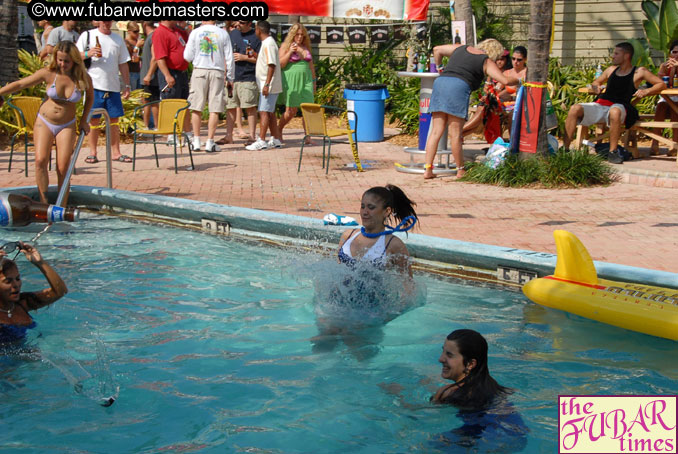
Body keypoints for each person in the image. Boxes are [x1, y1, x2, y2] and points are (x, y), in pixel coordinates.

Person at [0, 41, 93, 205]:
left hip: (67, 124)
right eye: (60, 60)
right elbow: (21, 84)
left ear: (75, 61)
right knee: (40, 160)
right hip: (45, 121)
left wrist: (84, 120)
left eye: (66, 61)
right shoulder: (48, 73)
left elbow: (90, 98)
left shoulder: (82, 77)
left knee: (63, 167)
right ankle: (43, 203)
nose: (62, 64)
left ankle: (61, 206)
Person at [424, 39, 519, 179]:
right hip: (459, 87)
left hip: (441, 83)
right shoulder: (486, 61)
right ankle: (460, 170)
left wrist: (440, 68)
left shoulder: (461, 48)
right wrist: (519, 81)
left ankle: (428, 169)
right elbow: (504, 81)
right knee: (455, 134)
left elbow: (437, 49)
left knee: (436, 131)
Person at [563, 42, 665, 164]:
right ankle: (565, 150)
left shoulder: (639, 72)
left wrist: (647, 91)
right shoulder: (611, 70)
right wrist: (596, 87)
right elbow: (596, 82)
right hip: (601, 105)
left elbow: (661, 84)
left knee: (615, 111)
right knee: (575, 108)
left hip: (620, 107)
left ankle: (613, 152)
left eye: (616, 53)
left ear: (626, 56)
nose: (613, 56)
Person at [76, 20, 133, 164]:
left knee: (114, 120)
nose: (106, 24)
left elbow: (123, 63)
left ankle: (116, 152)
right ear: (97, 21)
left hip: (112, 86)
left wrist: (127, 85)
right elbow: (75, 56)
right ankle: (92, 153)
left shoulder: (117, 39)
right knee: (94, 120)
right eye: (103, 21)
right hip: (93, 85)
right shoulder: (87, 35)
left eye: (109, 21)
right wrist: (89, 53)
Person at [337, 185, 417, 277]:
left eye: (371, 207)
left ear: (387, 211)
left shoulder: (393, 244)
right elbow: (337, 271)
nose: (364, 212)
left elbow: (408, 284)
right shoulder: (348, 235)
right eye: (362, 207)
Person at [0, 242, 68, 345]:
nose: (16, 285)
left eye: (18, 278)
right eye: (8, 281)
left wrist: (40, 263)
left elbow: (60, 291)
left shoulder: (22, 303)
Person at [183, 20, 234, 153]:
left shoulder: (195, 32)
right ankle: (210, 141)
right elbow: (229, 58)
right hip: (217, 71)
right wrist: (230, 78)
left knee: (196, 107)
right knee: (215, 108)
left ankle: (196, 140)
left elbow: (187, 56)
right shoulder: (223, 33)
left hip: (200, 69)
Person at [432, 329, 511, 409]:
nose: (441, 359)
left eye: (449, 355)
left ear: (470, 364)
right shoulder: (496, 389)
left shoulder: (447, 393)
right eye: (443, 352)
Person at [221, 20, 261, 145]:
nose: (238, 24)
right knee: (231, 107)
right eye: (237, 21)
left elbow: (262, 58)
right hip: (232, 78)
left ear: (250, 24)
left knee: (250, 107)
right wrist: (225, 74)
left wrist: (245, 58)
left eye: (242, 23)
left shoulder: (256, 36)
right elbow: (225, 55)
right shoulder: (233, 34)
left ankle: (252, 136)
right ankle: (229, 136)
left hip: (248, 77)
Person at [276, 23, 316, 144]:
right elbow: (280, 64)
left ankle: (307, 136)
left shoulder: (306, 46)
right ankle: (278, 129)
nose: (299, 37)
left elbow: (311, 65)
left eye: (302, 35)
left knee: (308, 108)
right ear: (292, 35)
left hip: (306, 79)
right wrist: (290, 52)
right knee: (291, 111)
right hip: (291, 79)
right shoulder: (285, 46)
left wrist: (314, 81)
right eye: (297, 35)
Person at [246, 20, 283, 151]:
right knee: (270, 112)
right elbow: (266, 60)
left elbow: (271, 65)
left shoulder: (268, 44)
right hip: (268, 84)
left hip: (268, 85)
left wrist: (267, 84)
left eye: (255, 29)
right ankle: (275, 138)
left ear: (259, 30)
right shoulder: (267, 43)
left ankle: (261, 140)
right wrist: (254, 54)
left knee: (264, 111)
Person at [154, 20, 192, 143]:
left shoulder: (177, 31)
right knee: (170, 103)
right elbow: (159, 57)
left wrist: (186, 28)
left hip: (181, 72)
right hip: (170, 72)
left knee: (184, 104)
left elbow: (189, 42)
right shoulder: (160, 32)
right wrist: (167, 75)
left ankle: (187, 133)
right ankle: (171, 135)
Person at [651, 40, 678, 156]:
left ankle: (674, 145)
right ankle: (655, 143)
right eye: (674, 52)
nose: (676, 55)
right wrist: (668, 70)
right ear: (670, 54)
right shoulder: (665, 66)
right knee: (661, 107)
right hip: (667, 97)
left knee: (675, 111)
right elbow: (658, 83)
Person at [140, 21, 159, 130]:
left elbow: (155, 57)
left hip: (151, 77)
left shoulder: (153, 36)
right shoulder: (150, 37)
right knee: (149, 102)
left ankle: (149, 127)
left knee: (150, 102)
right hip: (149, 75)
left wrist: (149, 74)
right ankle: (149, 126)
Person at [125, 22, 143, 91]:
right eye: (135, 32)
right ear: (129, 31)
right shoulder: (126, 43)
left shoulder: (137, 41)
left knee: (140, 95)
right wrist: (137, 46)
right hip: (130, 72)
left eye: (138, 31)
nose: (137, 34)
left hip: (139, 71)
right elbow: (131, 58)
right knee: (133, 95)